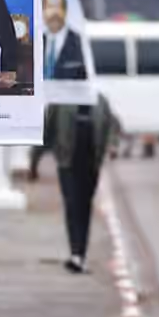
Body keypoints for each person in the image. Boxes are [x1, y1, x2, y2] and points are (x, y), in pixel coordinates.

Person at [50, 93, 119, 274]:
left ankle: (80, 253)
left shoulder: (100, 100)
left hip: (91, 165)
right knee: (72, 207)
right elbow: (47, 129)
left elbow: (113, 124)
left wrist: (112, 145)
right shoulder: (60, 100)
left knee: (84, 208)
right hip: (68, 164)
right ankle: (76, 254)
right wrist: (34, 161)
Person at [30, 0, 86, 180]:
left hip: (65, 99)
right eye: (49, 7)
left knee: (64, 138)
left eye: (57, 6)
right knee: (39, 138)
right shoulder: (37, 40)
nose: (53, 12)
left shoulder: (76, 41)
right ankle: (33, 166)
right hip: (41, 99)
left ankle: (66, 171)